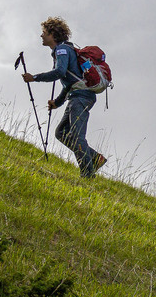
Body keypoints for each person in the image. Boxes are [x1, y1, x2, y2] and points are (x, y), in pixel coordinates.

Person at [23, 17, 106, 178]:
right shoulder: (63, 51)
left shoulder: (62, 51)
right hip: (78, 96)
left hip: (81, 97)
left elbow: (59, 73)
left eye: (44, 33)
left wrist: (34, 77)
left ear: (53, 34)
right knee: (61, 132)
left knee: (76, 135)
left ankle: (87, 174)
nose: (41, 36)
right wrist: (58, 102)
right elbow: (69, 82)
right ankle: (95, 159)